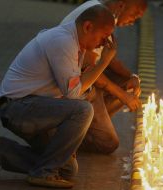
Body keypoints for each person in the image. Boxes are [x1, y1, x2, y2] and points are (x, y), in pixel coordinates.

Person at [0, 5, 116, 188]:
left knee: (67, 169)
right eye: (103, 37)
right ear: (87, 27)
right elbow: (73, 94)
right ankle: (43, 173)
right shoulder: (63, 41)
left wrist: (67, 139)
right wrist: (104, 61)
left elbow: (69, 93)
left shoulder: (76, 43)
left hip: (34, 106)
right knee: (84, 110)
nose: (103, 43)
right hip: (16, 107)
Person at [61, 0, 147, 154]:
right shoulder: (96, 17)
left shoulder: (106, 15)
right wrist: (122, 95)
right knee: (108, 143)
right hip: (76, 86)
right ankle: (65, 139)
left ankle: (92, 124)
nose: (133, 21)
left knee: (129, 85)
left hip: (85, 81)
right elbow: (89, 67)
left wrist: (133, 76)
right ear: (121, 5)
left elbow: (109, 59)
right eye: (134, 15)